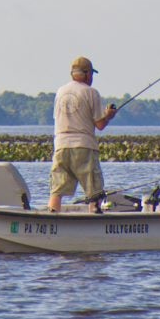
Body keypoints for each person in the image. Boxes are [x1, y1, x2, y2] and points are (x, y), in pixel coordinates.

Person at [49, 55, 118, 213]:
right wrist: (109, 115)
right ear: (87, 74)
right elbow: (100, 125)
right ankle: (94, 214)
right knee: (94, 190)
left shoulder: (60, 92)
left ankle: (52, 216)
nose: (92, 78)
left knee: (57, 190)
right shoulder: (91, 92)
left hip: (60, 145)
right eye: (91, 74)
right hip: (84, 146)